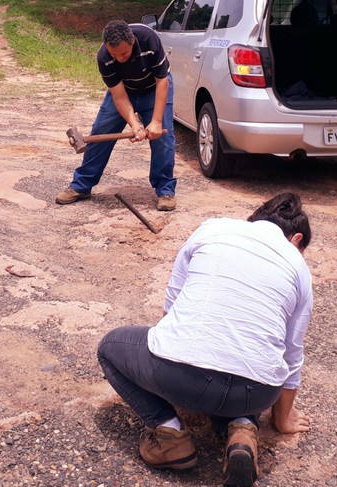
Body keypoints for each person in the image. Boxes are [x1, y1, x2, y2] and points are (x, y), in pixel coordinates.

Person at [97, 193, 314, 486]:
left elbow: (171, 307)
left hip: (182, 380)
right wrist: (282, 420)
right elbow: (291, 354)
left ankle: (169, 434)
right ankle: (242, 429)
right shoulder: (298, 267)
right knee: (253, 356)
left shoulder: (212, 228)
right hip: (256, 392)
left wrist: (176, 371)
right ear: (297, 239)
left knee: (110, 348)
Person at [56, 20, 177, 211]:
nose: (120, 58)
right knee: (101, 132)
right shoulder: (104, 57)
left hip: (154, 89)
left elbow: (162, 81)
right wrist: (135, 124)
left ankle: (165, 190)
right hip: (124, 91)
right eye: (114, 54)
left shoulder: (148, 39)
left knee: (163, 137)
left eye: (124, 53)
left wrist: (155, 122)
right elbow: (119, 96)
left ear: (132, 41)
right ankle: (81, 186)